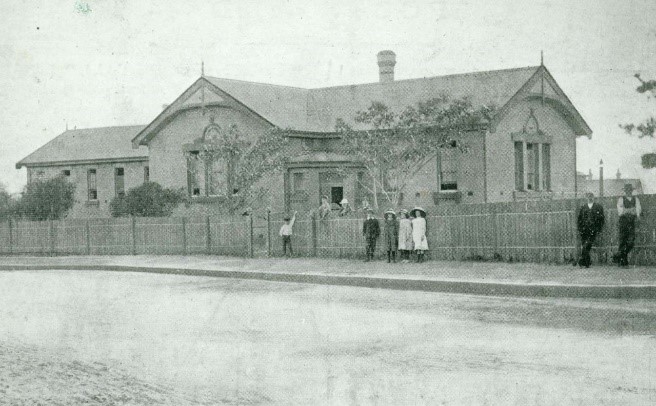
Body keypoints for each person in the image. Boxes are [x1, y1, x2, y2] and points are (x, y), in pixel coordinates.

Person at [613, 184, 642, 267]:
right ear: (625, 191)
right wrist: (630, 210)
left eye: (630, 190)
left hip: (631, 222)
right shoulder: (621, 199)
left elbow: (638, 210)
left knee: (631, 242)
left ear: (632, 191)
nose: (628, 191)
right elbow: (621, 212)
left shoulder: (636, 199)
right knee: (622, 241)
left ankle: (618, 256)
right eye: (627, 190)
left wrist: (629, 211)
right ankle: (623, 262)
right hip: (623, 222)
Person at [576, 192, 605, 268]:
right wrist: (580, 229)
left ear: (594, 197)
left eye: (591, 196)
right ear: (586, 198)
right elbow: (579, 219)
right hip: (584, 230)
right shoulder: (583, 207)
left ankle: (582, 260)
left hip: (593, 229)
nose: (590, 198)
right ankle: (586, 263)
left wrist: (599, 228)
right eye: (588, 197)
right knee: (585, 245)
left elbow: (602, 219)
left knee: (587, 244)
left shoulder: (598, 207)